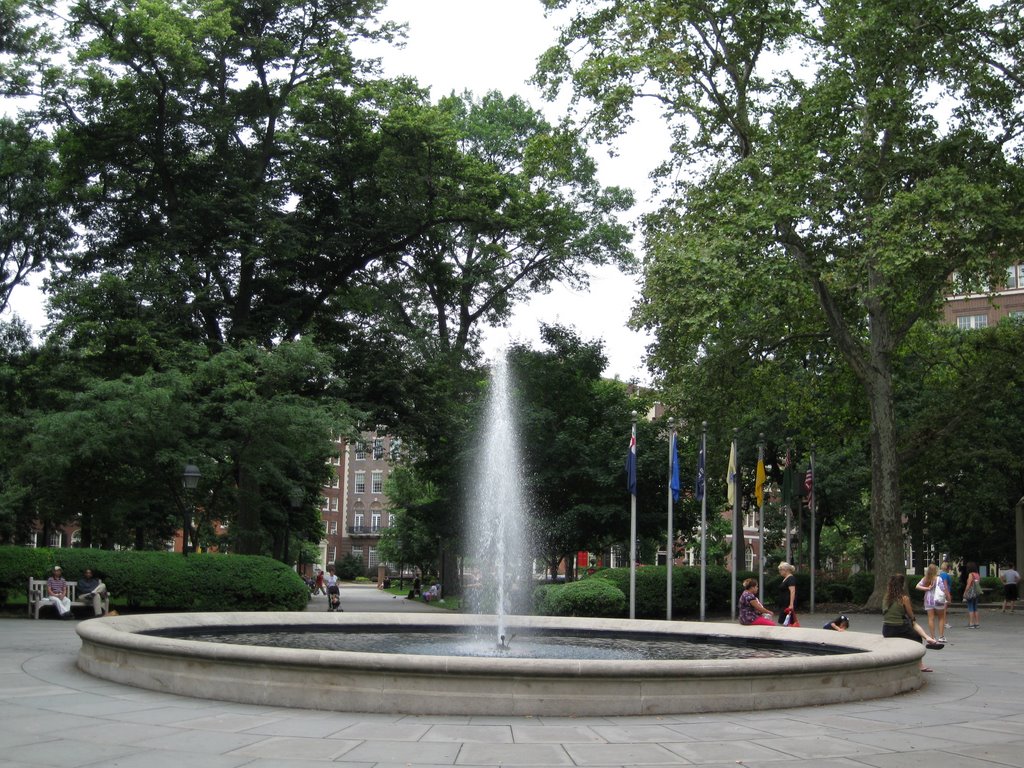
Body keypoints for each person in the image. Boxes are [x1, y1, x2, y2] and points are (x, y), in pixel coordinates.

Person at [882, 573, 944, 672]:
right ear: (902, 585)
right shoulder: (904, 598)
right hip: (900, 628)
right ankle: (920, 664)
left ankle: (928, 638)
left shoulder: (886, 597)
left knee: (910, 624)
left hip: (886, 629)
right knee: (916, 637)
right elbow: (911, 616)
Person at [915, 563, 949, 641]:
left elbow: (917, 586)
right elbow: (943, 589)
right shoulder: (938, 579)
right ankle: (941, 636)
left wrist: (926, 588)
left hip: (928, 600)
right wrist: (947, 596)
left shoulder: (925, 579)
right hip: (938, 600)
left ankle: (933, 637)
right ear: (936, 570)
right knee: (941, 618)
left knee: (931, 618)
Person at [963, 561, 982, 628]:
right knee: (975, 608)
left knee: (970, 608)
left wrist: (965, 592)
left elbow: (969, 584)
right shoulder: (977, 574)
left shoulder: (971, 574)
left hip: (971, 593)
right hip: (976, 593)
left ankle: (971, 623)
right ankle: (977, 623)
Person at [938, 562, 954, 638]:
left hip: (942, 592)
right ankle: (944, 622)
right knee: (944, 608)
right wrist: (948, 595)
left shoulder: (941, 574)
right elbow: (945, 585)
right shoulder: (945, 575)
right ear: (947, 568)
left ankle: (944, 622)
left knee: (944, 608)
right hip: (945, 593)